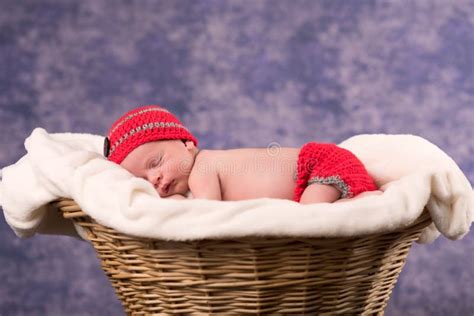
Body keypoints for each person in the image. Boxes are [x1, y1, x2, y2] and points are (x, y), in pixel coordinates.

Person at [104, 105, 378, 204]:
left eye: (156, 162)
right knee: (312, 213)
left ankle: (363, 203)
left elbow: (207, 215)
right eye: (143, 177)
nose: (154, 177)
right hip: (315, 175)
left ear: (187, 143)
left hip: (318, 166)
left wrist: (175, 203)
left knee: (312, 219)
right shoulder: (200, 170)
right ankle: (358, 202)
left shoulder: (203, 168)